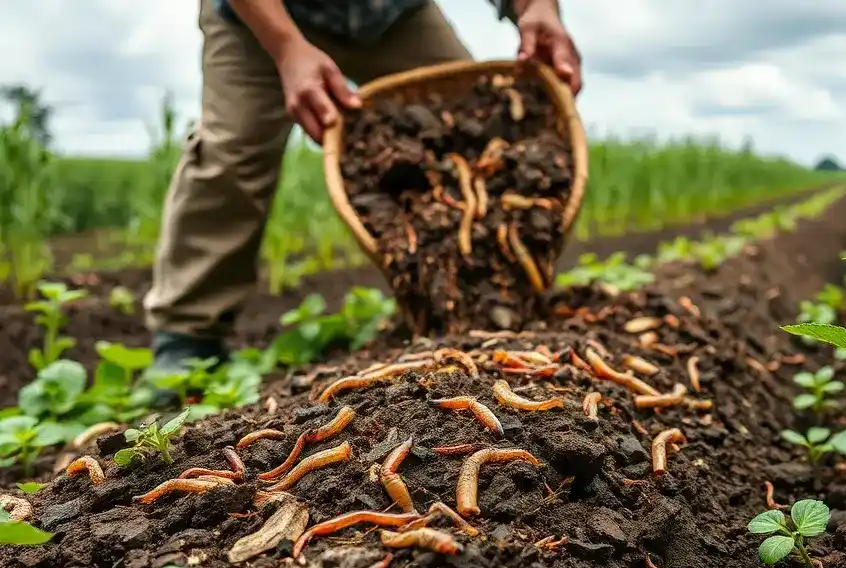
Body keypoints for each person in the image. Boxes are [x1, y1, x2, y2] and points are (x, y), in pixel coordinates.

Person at [143, 0, 582, 394]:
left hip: (391, 12)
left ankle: (488, 295)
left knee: (469, 119)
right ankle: (186, 336)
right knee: (232, 152)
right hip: (262, 15)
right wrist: (286, 46)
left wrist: (537, 6)